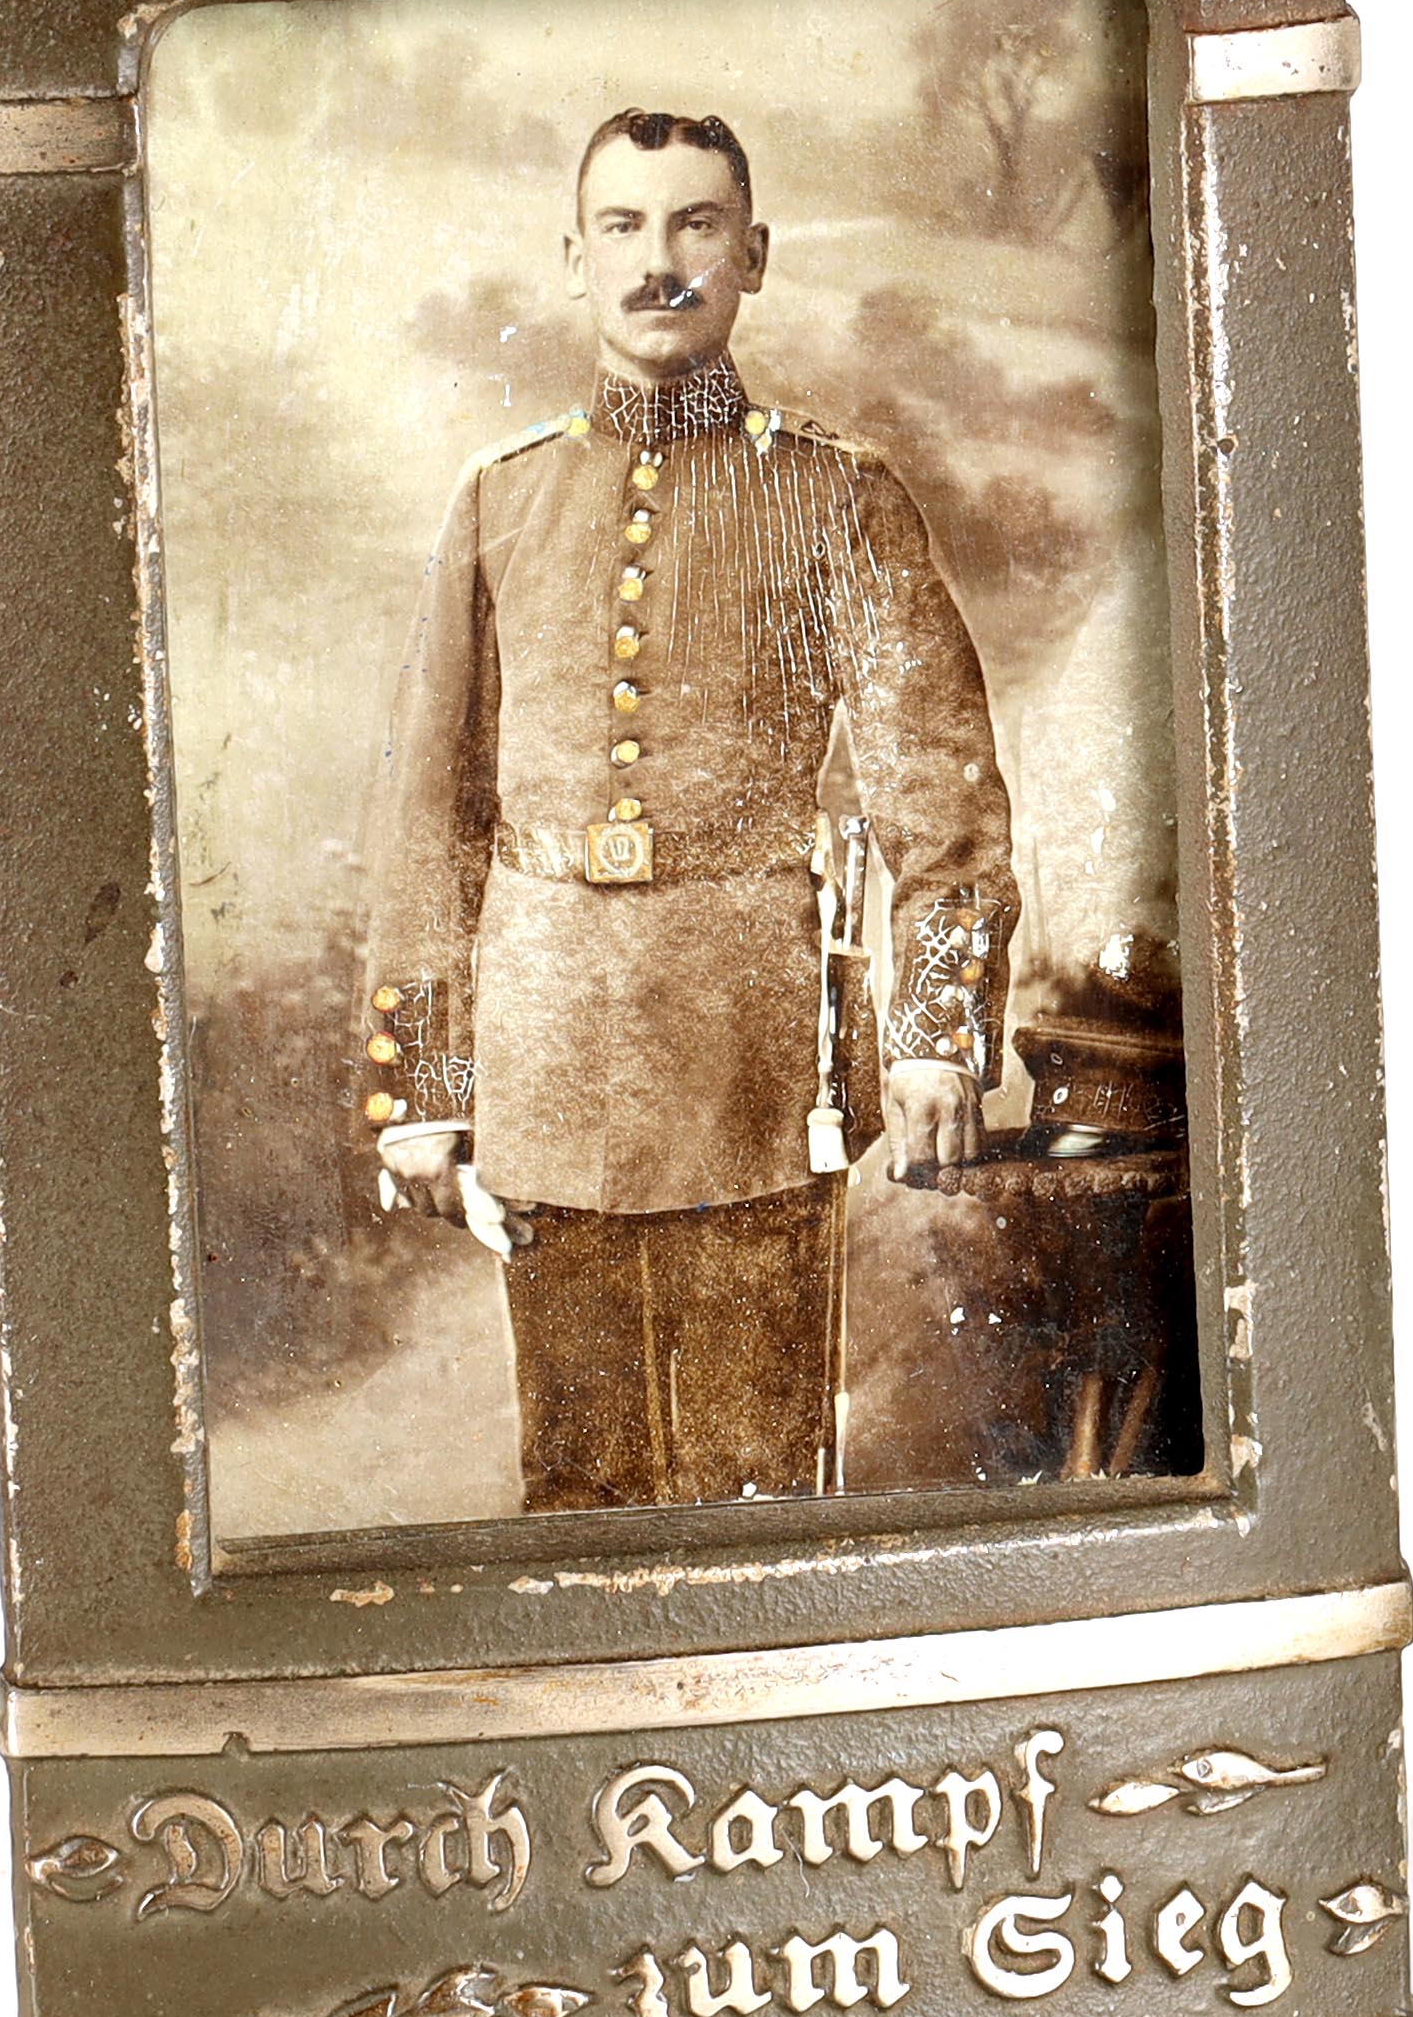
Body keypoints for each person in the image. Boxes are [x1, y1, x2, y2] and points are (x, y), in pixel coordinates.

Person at [355, 107, 1017, 1511]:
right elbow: (430, 810)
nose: (659, 262)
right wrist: (423, 1086)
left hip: (750, 1065)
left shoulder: (834, 496)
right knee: (576, 1483)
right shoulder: (501, 501)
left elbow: (938, 788)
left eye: (695, 226)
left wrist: (937, 1031)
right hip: (541, 1058)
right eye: (624, 226)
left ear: (752, 255)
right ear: (574, 258)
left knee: (748, 1482)